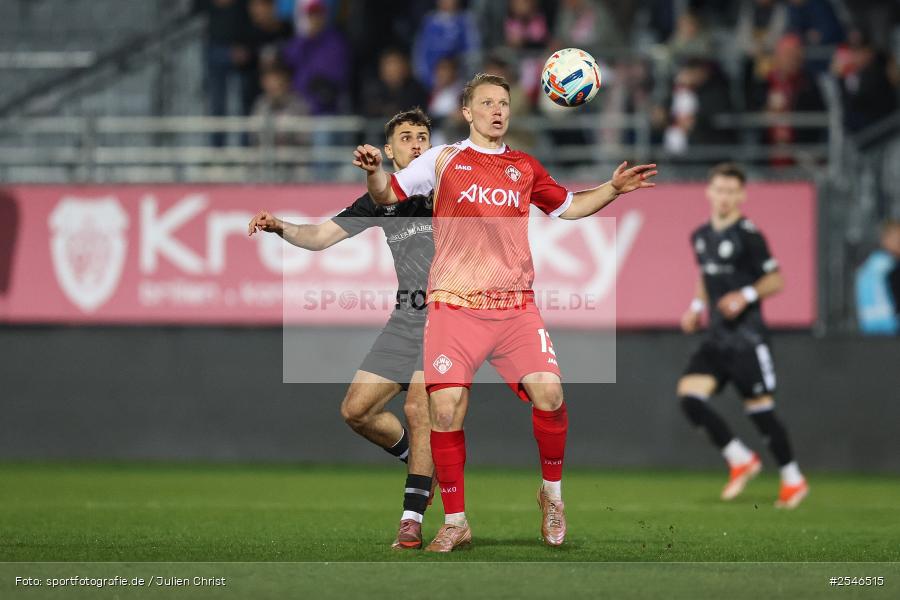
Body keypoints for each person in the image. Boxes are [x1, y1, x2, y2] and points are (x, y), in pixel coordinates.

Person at [353, 73, 657, 552]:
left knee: (551, 395)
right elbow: (388, 194)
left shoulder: (524, 166)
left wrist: (613, 188)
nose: (498, 110)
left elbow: (571, 208)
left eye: (505, 103)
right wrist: (373, 170)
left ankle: (552, 497)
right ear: (468, 112)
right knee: (445, 409)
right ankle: (456, 521)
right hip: (454, 307)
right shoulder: (443, 158)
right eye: (487, 103)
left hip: (515, 308)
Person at [248, 109, 436, 549]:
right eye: (406, 138)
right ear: (389, 151)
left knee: (418, 409)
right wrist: (280, 227)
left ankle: (412, 519)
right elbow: (318, 238)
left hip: (449, 317)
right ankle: (424, 466)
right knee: (356, 411)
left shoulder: (448, 188)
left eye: (423, 137)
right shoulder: (380, 198)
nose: (416, 144)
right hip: (407, 319)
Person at [677, 162, 808, 509]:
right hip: (717, 338)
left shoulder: (749, 234)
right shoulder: (701, 235)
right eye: (719, 189)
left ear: (742, 195)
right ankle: (740, 459)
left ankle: (793, 479)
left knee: (760, 412)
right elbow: (705, 276)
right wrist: (695, 306)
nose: (724, 197)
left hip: (748, 339)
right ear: (709, 192)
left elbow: (776, 280)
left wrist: (746, 295)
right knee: (690, 397)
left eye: (731, 191)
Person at [855, 219, 900, 335]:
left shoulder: (867, 266)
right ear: (886, 240)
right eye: (897, 238)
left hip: (869, 331)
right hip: (891, 330)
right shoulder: (890, 268)